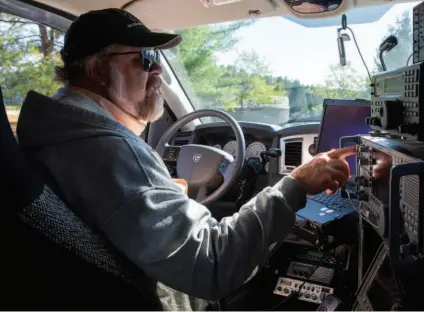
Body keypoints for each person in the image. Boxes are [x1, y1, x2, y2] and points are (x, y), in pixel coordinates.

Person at [16, 8, 357, 310]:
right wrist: (293, 185)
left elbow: (119, 208)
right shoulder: (108, 151)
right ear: (97, 70)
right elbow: (212, 263)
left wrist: (160, 192)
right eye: (146, 58)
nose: (158, 71)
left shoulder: (55, 133)